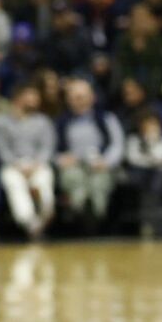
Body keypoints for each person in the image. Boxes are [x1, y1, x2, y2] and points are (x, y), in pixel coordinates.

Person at [54, 78, 123, 230]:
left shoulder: (106, 118)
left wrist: (106, 161)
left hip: (100, 164)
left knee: (99, 182)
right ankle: (80, 212)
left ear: (92, 97)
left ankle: (97, 217)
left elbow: (117, 145)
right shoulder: (61, 122)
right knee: (73, 178)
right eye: (74, 97)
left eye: (82, 96)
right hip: (74, 165)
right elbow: (53, 150)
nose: (78, 101)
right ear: (68, 100)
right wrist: (61, 159)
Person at [0, 83, 56, 240]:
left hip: (37, 165)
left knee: (44, 184)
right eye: (30, 96)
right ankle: (31, 225)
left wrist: (35, 165)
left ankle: (44, 217)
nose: (35, 100)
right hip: (13, 166)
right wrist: (18, 166)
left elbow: (47, 148)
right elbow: (2, 150)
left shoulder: (43, 122)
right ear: (18, 99)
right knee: (14, 183)